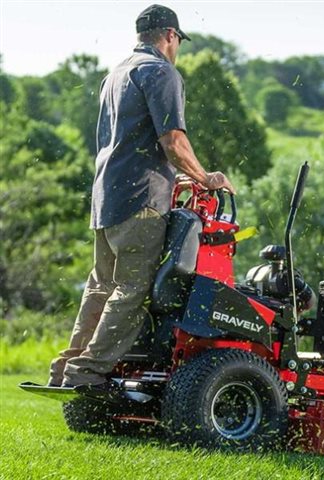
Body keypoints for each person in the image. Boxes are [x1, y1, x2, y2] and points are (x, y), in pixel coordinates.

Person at [48, 4, 235, 388]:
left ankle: (66, 366)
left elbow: (127, 141)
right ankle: (87, 372)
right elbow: (173, 141)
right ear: (170, 35)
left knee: (100, 286)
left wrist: (176, 180)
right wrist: (205, 177)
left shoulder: (115, 74)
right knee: (131, 289)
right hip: (141, 201)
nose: (177, 47)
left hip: (106, 197)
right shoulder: (161, 72)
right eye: (178, 41)